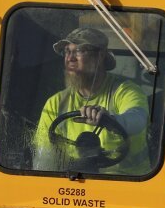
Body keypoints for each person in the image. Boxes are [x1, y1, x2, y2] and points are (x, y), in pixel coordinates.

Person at [33, 27, 149, 174]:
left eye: (79, 51)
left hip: (129, 185)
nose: (70, 58)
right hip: (77, 186)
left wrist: (110, 120)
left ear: (100, 56)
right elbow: (43, 158)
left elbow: (138, 119)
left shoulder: (124, 91)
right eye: (67, 52)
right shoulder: (55, 103)